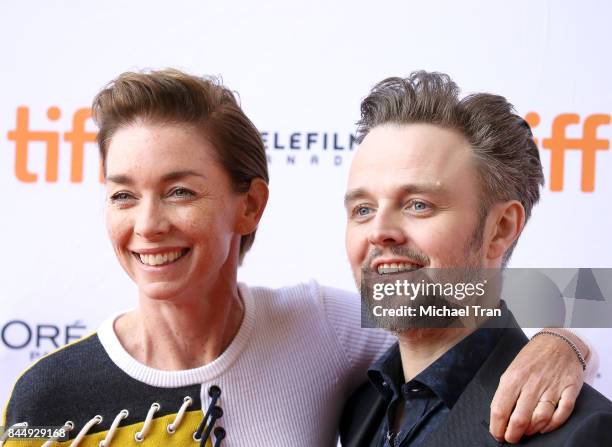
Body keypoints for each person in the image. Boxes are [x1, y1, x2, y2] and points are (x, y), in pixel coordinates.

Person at [0, 70, 595, 447]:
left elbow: (450, 295)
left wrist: (565, 342)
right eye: (123, 194)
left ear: (250, 205)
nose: (148, 224)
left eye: (180, 191)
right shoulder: (50, 394)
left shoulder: (318, 328)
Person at [339, 71, 612, 446]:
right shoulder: (359, 403)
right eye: (363, 209)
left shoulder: (582, 433)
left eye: (418, 205)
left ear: (500, 228)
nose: (378, 230)